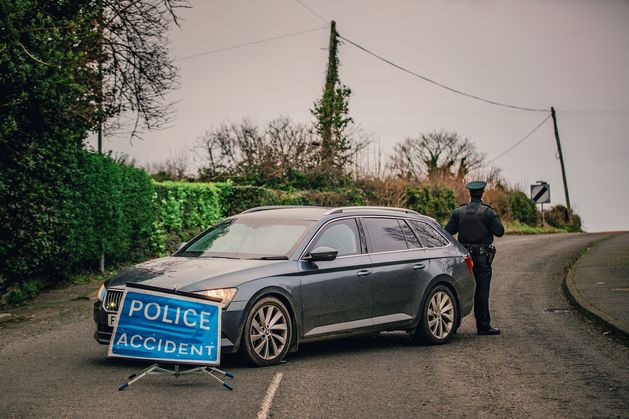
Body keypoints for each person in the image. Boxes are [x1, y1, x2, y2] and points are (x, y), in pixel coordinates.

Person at [445, 181, 504, 335]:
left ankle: (452, 326)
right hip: (482, 258)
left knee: (458, 289)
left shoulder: (459, 212)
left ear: (469, 194)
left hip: (463, 257)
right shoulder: (488, 212)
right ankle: (483, 326)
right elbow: (500, 231)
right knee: (481, 292)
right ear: (482, 193)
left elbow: (446, 232)